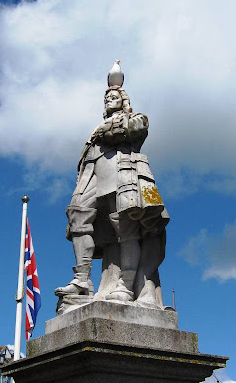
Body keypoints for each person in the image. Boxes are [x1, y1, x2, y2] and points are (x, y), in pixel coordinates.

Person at [55, 85, 169, 307]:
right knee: (78, 215)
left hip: (118, 170)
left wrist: (110, 127)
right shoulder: (96, 130)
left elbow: (139, 126)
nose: (109, 100)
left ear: (123, 100)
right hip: (91, 171)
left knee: (125, 227)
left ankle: (126, 286)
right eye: (106, 97)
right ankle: (82, 280)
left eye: (114, 97)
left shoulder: (131, 117)